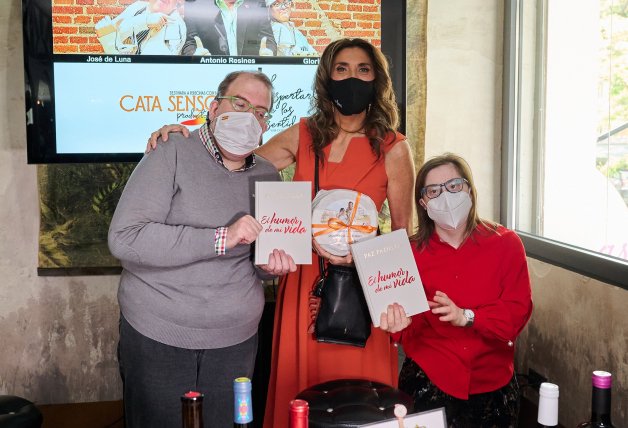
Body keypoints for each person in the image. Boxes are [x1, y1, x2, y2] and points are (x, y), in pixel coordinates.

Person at [146, 38, 416, 427]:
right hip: (303, 278)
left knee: (359, 402)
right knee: (300, 389)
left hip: (363, 289)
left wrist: (382, 283)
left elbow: (405, 233)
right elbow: (233, 158)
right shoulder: (304, 133)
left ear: (377, 80)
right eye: (341, 69)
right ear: (327, 77)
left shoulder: (394, 146)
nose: (351, 77)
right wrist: (187, 135)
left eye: (363, 69)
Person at [108, 70, 296, 428]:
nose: (248, 116)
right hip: (158, 334)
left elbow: (254, 259)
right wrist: (221, 237)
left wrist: (269, 266)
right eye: (239, 103)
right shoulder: (170, 153)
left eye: (260, 111)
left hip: (236, 340)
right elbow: (126, 238)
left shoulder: (268, 176)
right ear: (213, 108)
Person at [380, 153, 533, 427]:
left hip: (494, 386)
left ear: (470, 191)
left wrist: (468, 317)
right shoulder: (407, 253)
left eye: (454, 186)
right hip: (428, 381)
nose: (446, 196)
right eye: (434, 191)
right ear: (423, 203)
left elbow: (517, 311)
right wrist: (396, 323)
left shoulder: (507, 244)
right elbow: (403, 326)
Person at [181, 0, 276, 56]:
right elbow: (190, 43)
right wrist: (195, 56)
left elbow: (268, 40)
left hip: (248, 75)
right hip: (211, 74)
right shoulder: (195, 5)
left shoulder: (257, 3)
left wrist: (268, 53)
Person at [95, 0, 186, 55]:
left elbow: (147, 69)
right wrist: (145, 21)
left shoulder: (176, 25)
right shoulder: (137, 7)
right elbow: (107, 29)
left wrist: (110, 43)